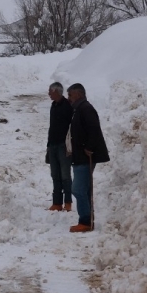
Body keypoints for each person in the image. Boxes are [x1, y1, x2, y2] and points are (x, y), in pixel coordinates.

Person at [66, 83, 110, 232]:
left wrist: (89, 147)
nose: (68, 98)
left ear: (78, 94)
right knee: (83, 189)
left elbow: (94, 129)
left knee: (78, 189)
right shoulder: (78, 109)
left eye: (70, 95)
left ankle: (85, 221)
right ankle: (87, 220)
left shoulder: (86, 109)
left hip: (85, 156)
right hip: (79, 156)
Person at [46, 82, 73, 212]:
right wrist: (48, 146)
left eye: (50, 91)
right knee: (55, 174)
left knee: (65, 175)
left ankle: (68, 202)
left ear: (57, 91)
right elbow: (52, 127)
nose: (48, 94)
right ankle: (57, 202)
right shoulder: (53, 106)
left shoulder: (68, 106)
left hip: (63, 146)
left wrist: (70, 146)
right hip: (53, 145)